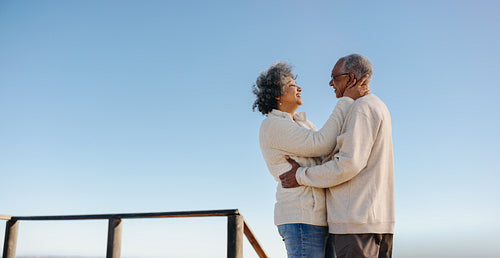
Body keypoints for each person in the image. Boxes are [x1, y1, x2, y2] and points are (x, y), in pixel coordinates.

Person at [280, 54, 395, 258]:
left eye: (335, 77)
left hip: (356, 226)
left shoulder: (362, 108)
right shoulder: (377, 105)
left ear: (351, 79)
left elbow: (347, 164)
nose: (331, 83)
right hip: (373, 223)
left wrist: (300, 175)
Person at [252, 61, 369, 257]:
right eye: (291, 85)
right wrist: (346, 100)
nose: (299, 88)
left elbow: (326, 152)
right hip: (301, 218)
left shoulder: (302, 123)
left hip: (319, 218)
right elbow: (321, 144)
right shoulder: (272, 125)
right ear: (277, 95)